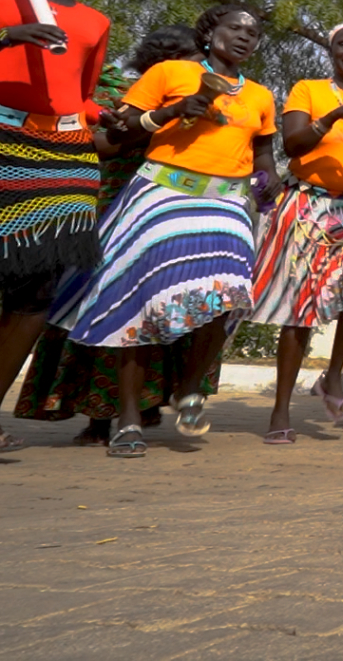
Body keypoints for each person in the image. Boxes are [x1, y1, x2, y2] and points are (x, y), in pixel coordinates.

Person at [52, 4, 278, 457]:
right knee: (139, 302)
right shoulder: (169, 72)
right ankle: (129, 418)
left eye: (252, 34)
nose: (243, 38)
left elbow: (265, 152)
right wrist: (173, 112)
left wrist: (267, 178)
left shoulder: (260, 95)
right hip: (162, 192)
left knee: (228, 295)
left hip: (227, 202)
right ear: (210, 31)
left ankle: (189, 389)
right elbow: (114, 136)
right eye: (234, 28)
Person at [14, 27, 208, 445]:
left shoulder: (201, 95)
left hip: (170, 211)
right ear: (164, 64)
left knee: (160, 307)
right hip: (115, 207)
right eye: (190, 61)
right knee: (104, 305)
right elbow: (105, 144)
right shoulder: (122, 94)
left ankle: (145, 405)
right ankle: (98, 416)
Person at [245, 23, 343, 444]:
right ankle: (280, 411)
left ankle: (332, 375)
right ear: (332, 50)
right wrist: (334, 116)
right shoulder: (308, 90)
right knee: (299, 311)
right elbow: (293, 146)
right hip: (308, 203)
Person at [0, 0, 110, 453]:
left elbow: (83, 95)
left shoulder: (94, 22)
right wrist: (10, 34)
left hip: (64, 156)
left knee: (35, 293)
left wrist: (105, 115)